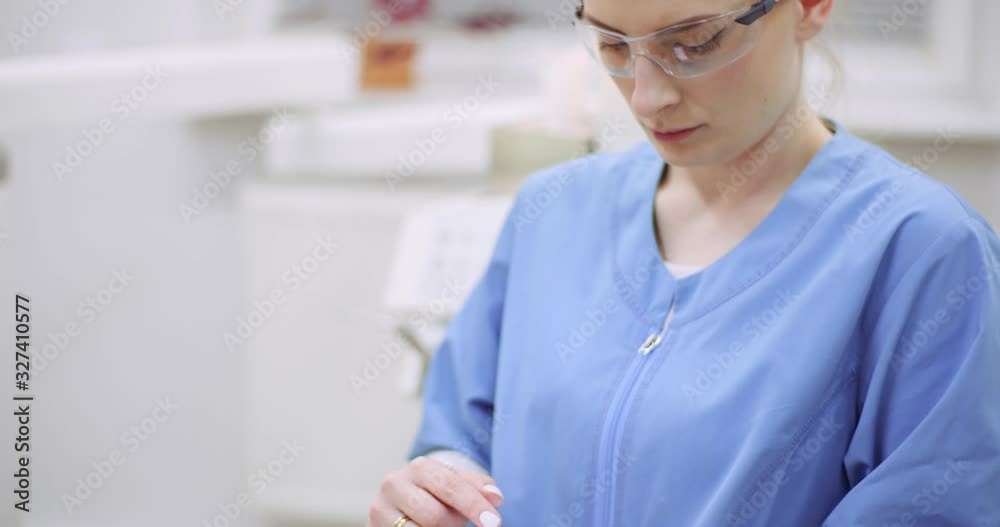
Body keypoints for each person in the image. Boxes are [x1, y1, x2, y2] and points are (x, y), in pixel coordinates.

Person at [368, 0, 1000, 525]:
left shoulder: (921, 251)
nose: (645, 98)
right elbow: (459, 442)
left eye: (693, 43)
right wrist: (434, 496)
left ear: (809, 8)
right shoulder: (553, 212)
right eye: (613, 46)